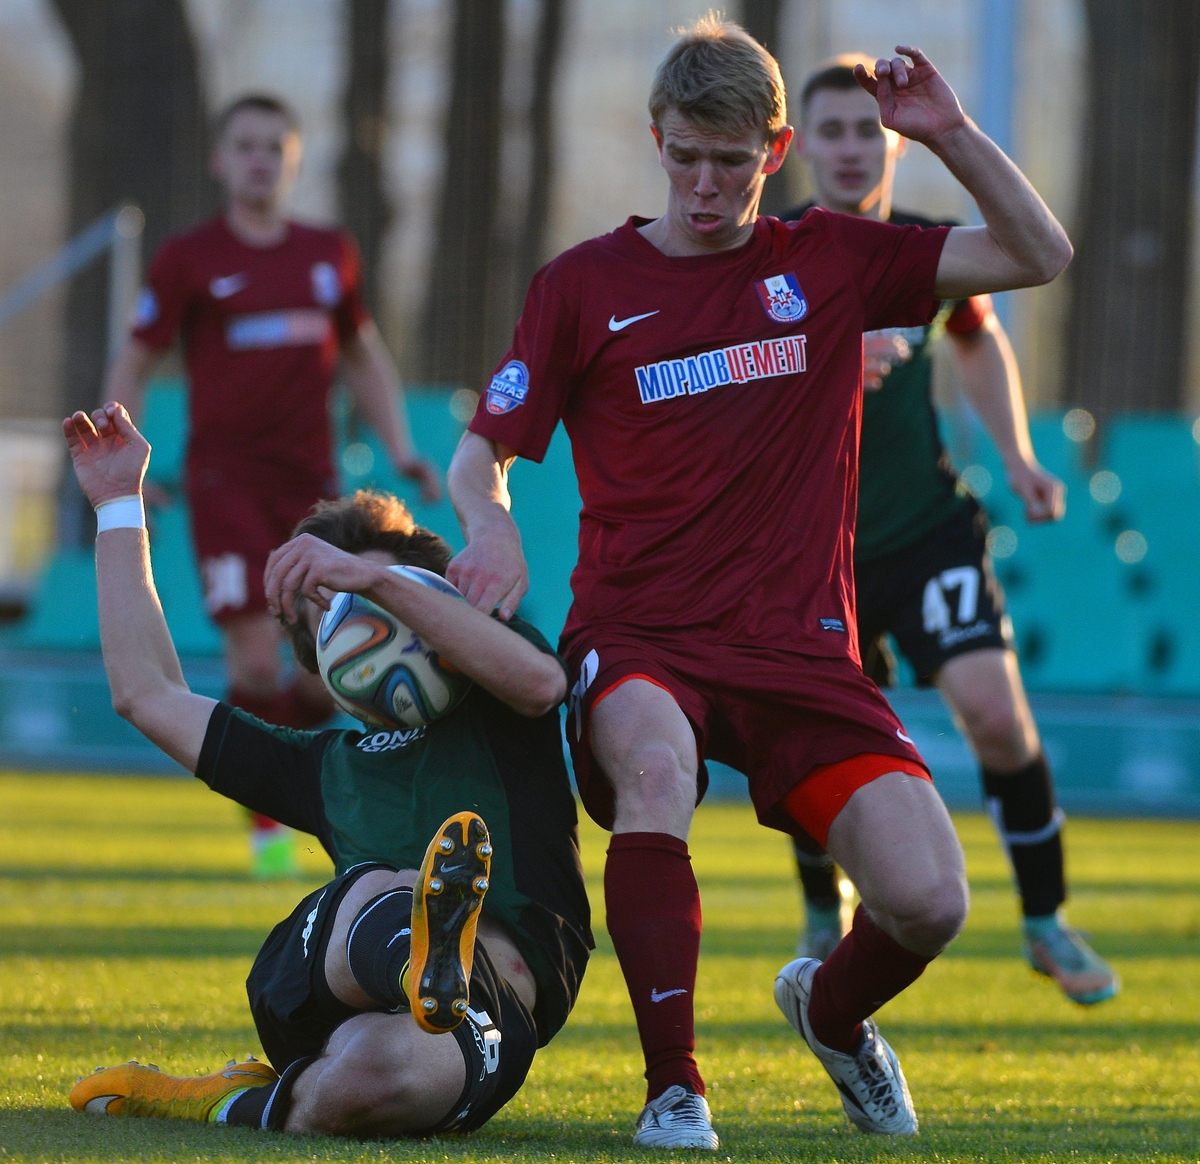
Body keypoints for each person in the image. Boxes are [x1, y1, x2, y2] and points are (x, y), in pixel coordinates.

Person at [446, 18, 1071, 1146]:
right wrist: (488, 528)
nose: (702, 184)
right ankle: (673, 1088)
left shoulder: (827, 259)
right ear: (657, 139)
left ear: (773, 151)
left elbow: (1040, 254)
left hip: (799, 648)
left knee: (930, 902)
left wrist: (951, 134)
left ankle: (830, 1015)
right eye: (684, 155)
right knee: (651, 768)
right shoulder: (584, 285)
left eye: (729, 162)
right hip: (640, 630)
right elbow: (479, 449)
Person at [64, 403, 589, 1137]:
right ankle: (420, 956)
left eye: (375, 594)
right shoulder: (320, 768)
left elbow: (542, 685)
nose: (361, 616)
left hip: (492, 1002)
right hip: (335, 969)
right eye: (335, 610)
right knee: (385, 885)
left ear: (435, 598)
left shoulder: (498, 694)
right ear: (324, 664)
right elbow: (146, 693)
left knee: (375, 1085)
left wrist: (367, 578)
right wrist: (119, 505)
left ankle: (228, 1097)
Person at [779, 56, 1117, 1006]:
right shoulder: (779, 253)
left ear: (892, 139)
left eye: (865, 131)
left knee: (998, 715)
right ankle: (820, 903)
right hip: (814, 551)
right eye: (832, 132)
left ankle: (1048, 922)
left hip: (927, 528)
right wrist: (838, 356)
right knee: (821, 746)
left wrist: (1014, 455)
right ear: (803, 146)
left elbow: (976, 334)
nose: (850, 148)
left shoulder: (929, 249)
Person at [103, 93, 440, 877]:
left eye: (273, 147)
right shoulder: (190, 258)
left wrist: (400, 446)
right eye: (244, 146)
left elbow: (364, 355)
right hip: (223, 484)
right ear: (221, 161)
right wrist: (118, 440)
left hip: (311, 488)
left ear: (293, 159)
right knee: (256, 665)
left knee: (330, 670)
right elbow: (136, 355)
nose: (259, 160)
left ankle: (332, 796)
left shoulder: (329, 254)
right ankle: (270, 826)